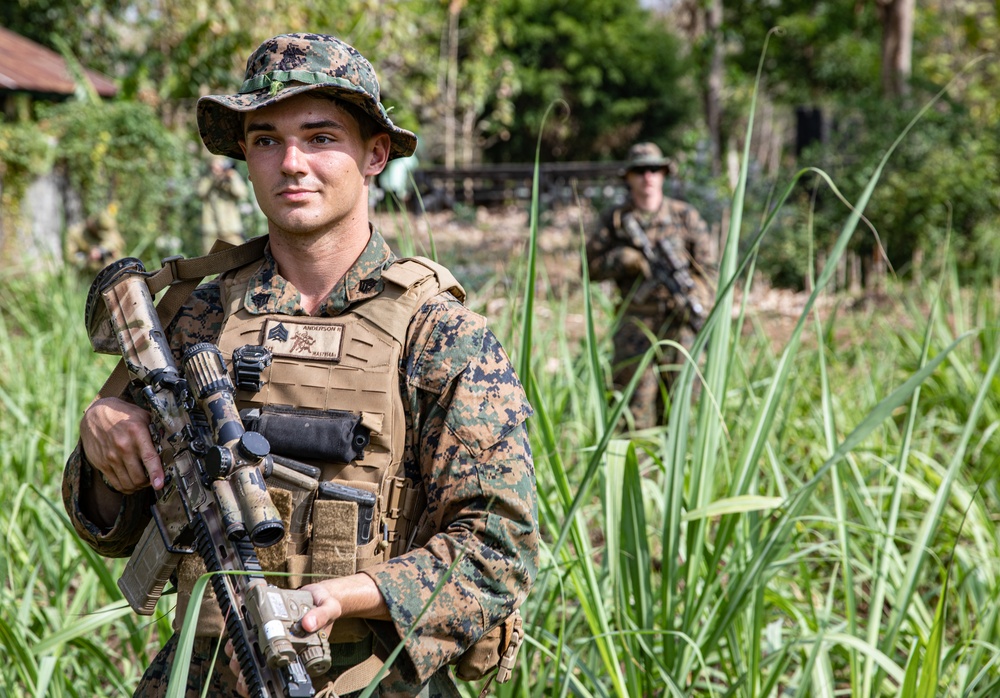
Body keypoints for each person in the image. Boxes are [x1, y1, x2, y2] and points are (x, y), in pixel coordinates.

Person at [62, 32, 538, 697]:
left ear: (374, 154)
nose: (291, 163)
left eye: (320, 137)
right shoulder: (198, 314)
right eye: (266, 140)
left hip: (370, 677)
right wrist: (104, 439)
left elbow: (500, 550)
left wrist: (341, 597)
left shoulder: (438, 333)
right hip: (204, 672)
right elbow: (109, 528)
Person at [586, 142, 717, 430]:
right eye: (640, 170)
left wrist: (694, 295)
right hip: (635, 326)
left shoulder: (685, 216)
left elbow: (709, 271)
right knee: (633, 413)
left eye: (654, 169)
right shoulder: (616, 220)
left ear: (664, 174)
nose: (648, 176)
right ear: (628, 176)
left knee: (682, 410)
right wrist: (624, 259)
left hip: (680, 325)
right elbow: (589, 267)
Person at [198, 155, 250, 253]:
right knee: (210, 258)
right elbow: (200, 192)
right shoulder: (207, 176)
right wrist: (212, 177)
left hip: (231, 228)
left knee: (239, 255)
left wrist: (231, 178)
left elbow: (241, 193)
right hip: (211, 229)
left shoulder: (230, 175)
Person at [66, 204, 125, 275]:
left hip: (112, 269)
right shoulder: (76, 233)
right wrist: (88, 257)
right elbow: (69, 257)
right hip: (89, 272)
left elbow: (119, 242)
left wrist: (106, 249)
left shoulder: (108, 227)